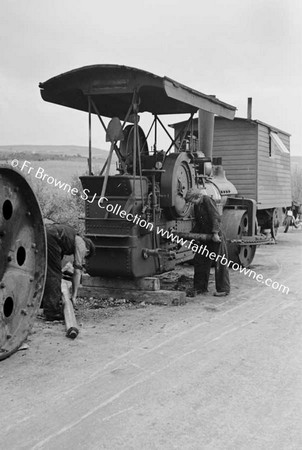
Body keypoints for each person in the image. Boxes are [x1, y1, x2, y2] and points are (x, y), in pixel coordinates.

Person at [42, 223, 95, 320]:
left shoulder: (72, 236)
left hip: (44, 230)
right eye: (85, 257)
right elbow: (77, 272)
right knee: (54, 274)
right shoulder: (82, 245)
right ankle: (52, 311)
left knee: (44, 270)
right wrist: (74, 296)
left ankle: (43, 302)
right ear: (87, 251)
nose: (83, 258)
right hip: (52, 236)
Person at [185, 188, 230, 297]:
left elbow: (215, 217)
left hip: (215, 237)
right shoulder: (197, 205)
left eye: (192, 201)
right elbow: (199, 223)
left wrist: (215, 233)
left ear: (197, 197)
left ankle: (223, 289)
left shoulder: (207, 200)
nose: (191, 204)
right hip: (205, 237)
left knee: (220, 263)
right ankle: (200, 287)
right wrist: (192, 235)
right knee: (200, 260)